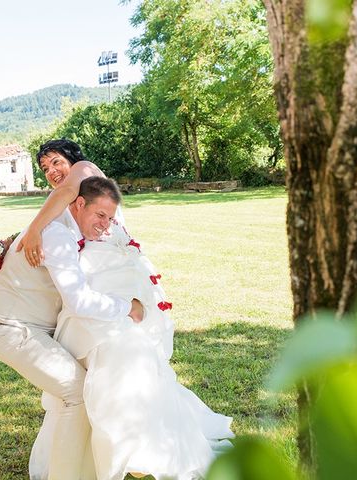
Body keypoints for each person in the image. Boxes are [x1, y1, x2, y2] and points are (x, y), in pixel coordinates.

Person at [22, 139, 234, 479]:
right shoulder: (67, 199)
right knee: (96, 361)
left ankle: (134, 448)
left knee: (121, 351)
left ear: (73, 159)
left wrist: (33, 228)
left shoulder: (84, 171)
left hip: (113, 280)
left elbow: (63, 198)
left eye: (56, 162)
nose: (52, 172)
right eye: (45, 169)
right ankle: (95, 451)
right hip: (95, 282)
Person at [0, 175, 145, 479]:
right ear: (79, 203)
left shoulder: (60, 227)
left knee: (79, 388)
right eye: (99, 215)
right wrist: (127, 307)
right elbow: (79, 301)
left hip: (23, 327)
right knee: (78, 392)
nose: (105, 224)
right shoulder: (58, 236)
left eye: (109, 218)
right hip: (12, 330)